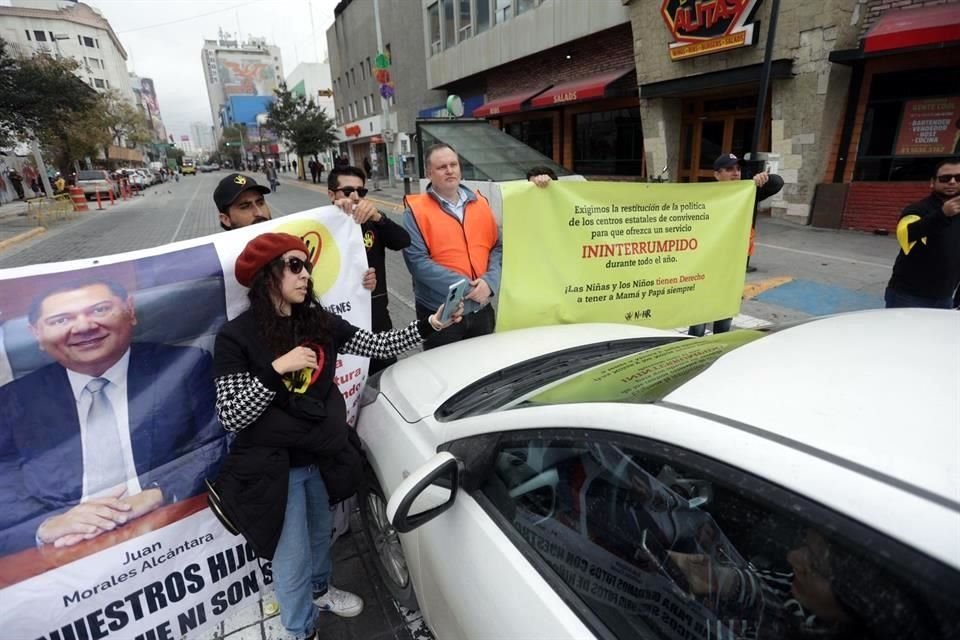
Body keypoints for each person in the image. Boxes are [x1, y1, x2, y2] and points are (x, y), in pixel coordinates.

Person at [211, 232, 462, 640]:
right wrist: (275, 370)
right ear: (265, 276)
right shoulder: (237, 336)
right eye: (293, 266)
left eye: (306, 265)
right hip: (275, 468)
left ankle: (321, 590)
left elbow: (376, 343)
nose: (304, 274)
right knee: (290, 556)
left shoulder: (316, 320)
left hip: (319, 452)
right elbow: (232, 415)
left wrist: (430, 325)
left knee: (320, 533)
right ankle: (299, 629)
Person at [0, 279, 226, 554]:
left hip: (172, 528)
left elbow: (218, 442)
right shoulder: (13, 400)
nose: (83, 327)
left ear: (130, 311)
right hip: (64, 549)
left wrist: (158, 493)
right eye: (61, 320)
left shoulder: (185, 366)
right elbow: (4, 478)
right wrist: (47, 525)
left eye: (100, 310)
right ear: (36, 333)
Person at [403, 143, 502, 350]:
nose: (449, 170)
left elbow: (496, 247)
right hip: (441, 314)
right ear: (429, 173)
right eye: (441, 167)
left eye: (453, 164)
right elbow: (417, 263)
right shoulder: (415, 211)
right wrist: (468, 289)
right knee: (444, 376)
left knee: (484, 372)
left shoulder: (481, 203)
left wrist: (489, 284)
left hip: (482, 308)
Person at [214, 173, 377, 292]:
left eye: (260, 202)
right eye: (245, 206)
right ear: (225, 219)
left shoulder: (291, 244)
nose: (258, 212)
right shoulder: (216, 267)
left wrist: (358, 281)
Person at [688, 153, 784, 337]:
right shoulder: (706, 196)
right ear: (717, 175)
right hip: (706, 265)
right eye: (730, 169)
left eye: (738, 169)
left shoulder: (748, 192)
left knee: (724, 316)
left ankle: (720, 346)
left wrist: (761, 179)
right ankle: (695, 347)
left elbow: (777, 183)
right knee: (699, 318)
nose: (736, 173)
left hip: (734, 266)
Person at [328, 166, 410, 374]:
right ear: (331, 194)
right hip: (339, 323)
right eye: (347, 191)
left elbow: (402, 241)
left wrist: (378, 217)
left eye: (361, 191)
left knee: (384, 379)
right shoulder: (321, 227)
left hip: (377, 319)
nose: (355, 197)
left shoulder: (371, 222)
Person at [885, 158, 960, 309]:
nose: (952, 182)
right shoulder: (917, 209)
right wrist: (943, 215)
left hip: (945, 297)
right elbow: (905, 235)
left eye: (958, 178)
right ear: (933, 182)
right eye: (945, 178)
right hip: (908, 296)